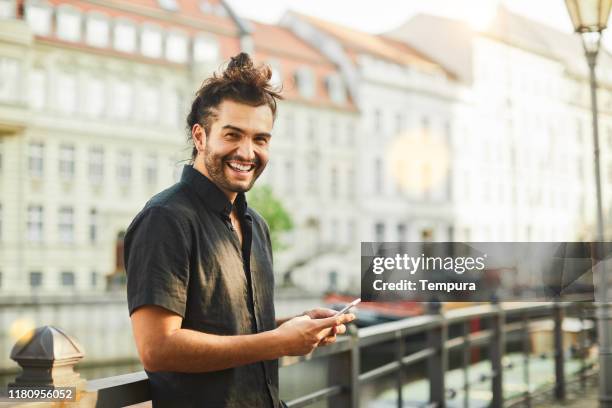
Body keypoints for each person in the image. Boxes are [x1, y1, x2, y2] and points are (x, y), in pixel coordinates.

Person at [124, 52, 355, 408]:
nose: (248, 152)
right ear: (200, 137)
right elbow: (158, 349)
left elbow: (232, 327)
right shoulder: (165, 218)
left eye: (261, 139)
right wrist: (279, 342)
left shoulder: (256, 225)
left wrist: (294, 325)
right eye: (233, 135)